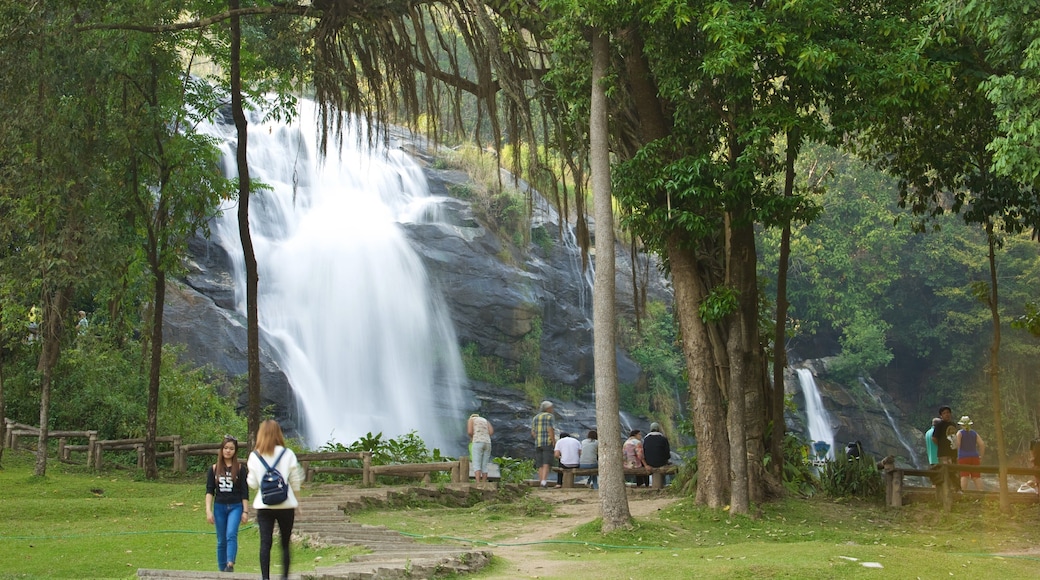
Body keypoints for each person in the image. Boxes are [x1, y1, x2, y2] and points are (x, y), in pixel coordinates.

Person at [247, 419, 303, 580]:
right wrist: (298, 503)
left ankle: (265, 578)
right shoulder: (288, 454)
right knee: (285, 543)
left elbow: (252, 483)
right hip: (286, 504)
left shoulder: (255, 456)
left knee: (265, 543)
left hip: (264, 505)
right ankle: (284, 577)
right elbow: (295, 480)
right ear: (279, 433)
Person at [205, 435, 250, 573]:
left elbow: (244, 491)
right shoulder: (213, 469)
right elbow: (209, 491)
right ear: (221, 449)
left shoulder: (241, 469)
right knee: (221, 539)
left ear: (235, 451)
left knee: (231, 534)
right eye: (225, 448)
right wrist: (208, 510)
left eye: (231, 448)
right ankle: (222, 569)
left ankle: (230, 563)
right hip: (219, 506)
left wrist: (245, 511)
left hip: (235, 506)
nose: (228, 451)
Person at [955, 415, 986, 491]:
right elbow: (982, 444)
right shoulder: (974, 433)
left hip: (963, 457)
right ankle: (981, 493)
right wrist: (980, 456)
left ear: (962, 425)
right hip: (974, 456)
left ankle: (963, 494)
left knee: (964, 475)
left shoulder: (960, 433)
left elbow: (957, 445)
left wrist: (956, 456)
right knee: (976, 476)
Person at [530, 401, 556, 488]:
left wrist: (537, 438)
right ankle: (544, 482)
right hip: (547, 442)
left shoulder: (535, 417)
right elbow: (550, 429)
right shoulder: (550, 416)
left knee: (540, 464)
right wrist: (553, 441)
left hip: (538, 443)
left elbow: (533, 432)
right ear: (547, 408)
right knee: (546, 462)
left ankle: (541, 481)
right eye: (551, 408)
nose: (552, 409)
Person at [467, 413, 494, 483]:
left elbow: (470, 432)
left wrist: (472, 437)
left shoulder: (471, 419)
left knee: (476, 463)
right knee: (484, 465)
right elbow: (491, 432)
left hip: (477, 442)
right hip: (487, 442)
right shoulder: (485, 420)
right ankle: (484, 483)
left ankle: (478, 483)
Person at [643, 423, 671, 487]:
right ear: (658, 429)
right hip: (661, 462)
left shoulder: (646, 439)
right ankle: (663, 485)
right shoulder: (663, 439)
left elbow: (644, 451)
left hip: (649, 462)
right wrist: (666, 460)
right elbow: (667, 452)